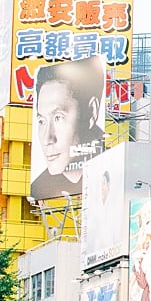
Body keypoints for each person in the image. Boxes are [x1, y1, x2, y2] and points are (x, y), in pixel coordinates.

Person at [30, 61, 104, 201]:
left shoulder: (115, 171)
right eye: (41, 121)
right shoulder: (39, 188)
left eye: (58, 117)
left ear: (91, 112)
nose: (47, 139)